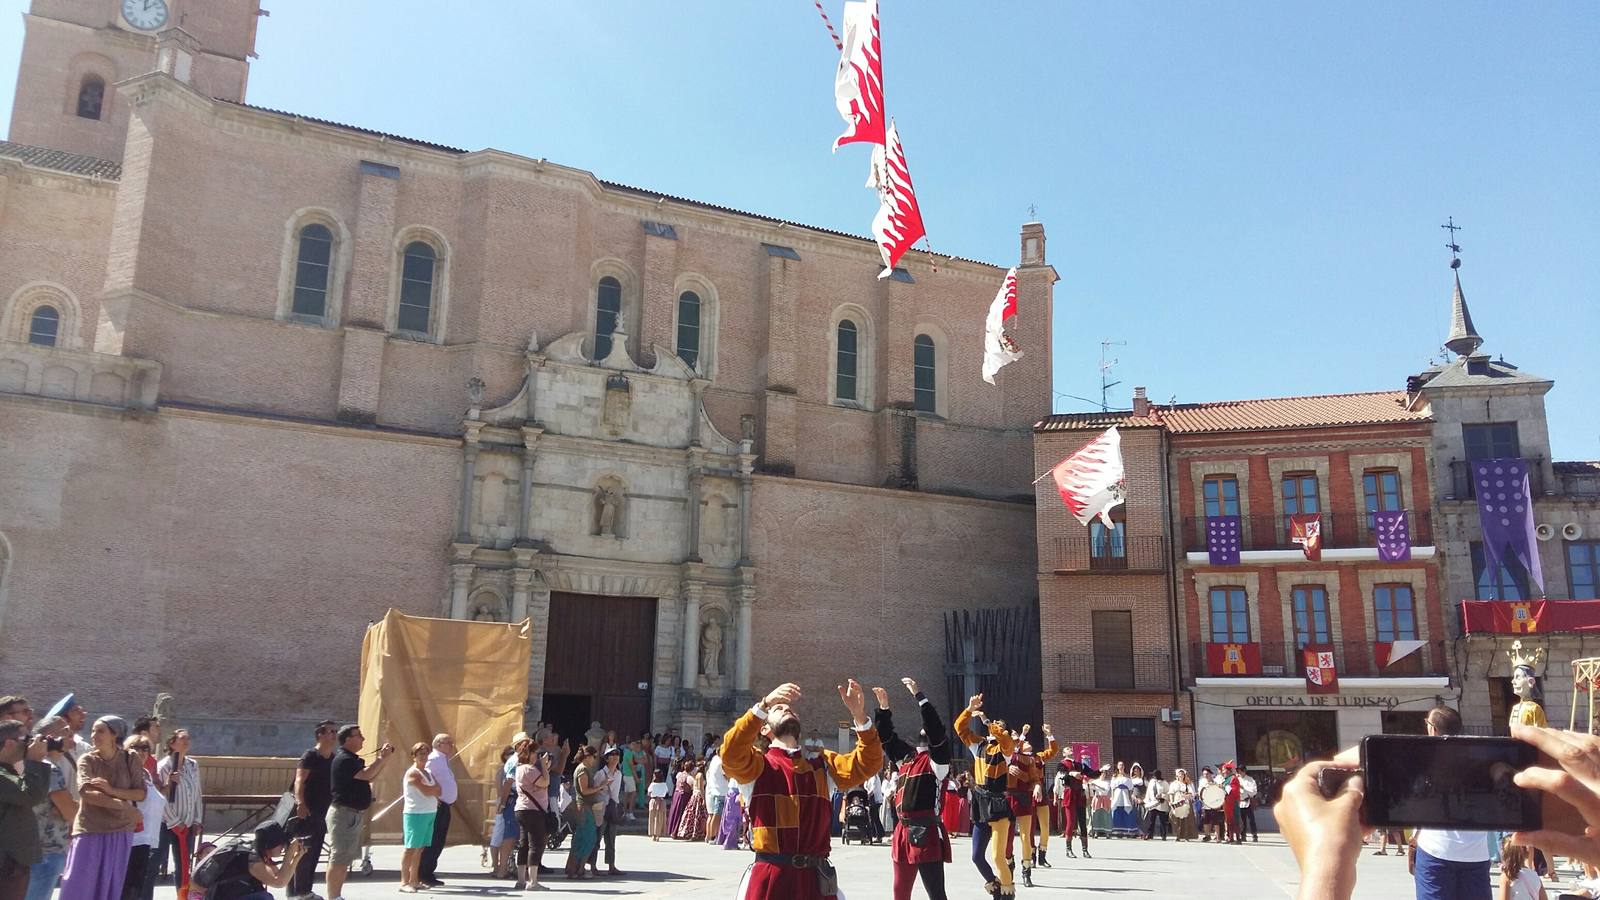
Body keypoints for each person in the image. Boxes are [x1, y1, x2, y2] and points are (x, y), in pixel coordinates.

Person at [719, 679, 880, 900]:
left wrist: (860, 717)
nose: (785, 708)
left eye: (790, 708)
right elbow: (730, 754)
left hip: (815, 879)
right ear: (764, 728)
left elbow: (868, 764)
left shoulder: (822, 764)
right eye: (778, 708)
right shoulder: (757, 765)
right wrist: (764, 704)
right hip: (771, 877)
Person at [873, 677, 952, 900]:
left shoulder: (938, 763)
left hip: (926, 832)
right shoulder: (907, 758)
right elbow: (886, 737)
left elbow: (935, 730)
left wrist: (920, 696)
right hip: (902, 831)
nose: (924, 732)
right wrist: (884, 709)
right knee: (900, 892)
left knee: (936, 894)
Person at [60, 716, 145, 900]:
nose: (93, 735)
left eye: (100, 731)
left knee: (108, 888)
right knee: (78, 886)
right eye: (92, 730)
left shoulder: (130, 758)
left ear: (115, 735)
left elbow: (140, 793)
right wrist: (125, 807)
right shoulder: (87, 760)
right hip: (90, 829)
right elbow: (87, 793)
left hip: (121, 831)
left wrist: (111, 790)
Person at [1413, 707, 1494, 900]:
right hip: (1477, 852)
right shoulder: (1478, 757)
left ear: (1433, 729)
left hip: (1436, 849)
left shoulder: (1426, 757)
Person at [953, 693, 1014, 897]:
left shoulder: (1006, 749)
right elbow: (959, 728)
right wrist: (969, 709)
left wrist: (987, 721)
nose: (996, 726)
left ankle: (1007, 893)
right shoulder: (978, 745)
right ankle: (994, 885)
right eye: (994, 724)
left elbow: (1003, 738)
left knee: (998, 857)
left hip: (998, 805)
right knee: (977, 856)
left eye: (1000, 725)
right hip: (980, 802)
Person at [324, 725, 394, 900]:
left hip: (353, 814)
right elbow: (366, 774)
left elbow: (370, 776)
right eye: (359, 736)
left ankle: (337, 895)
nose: (363, 739)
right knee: (339, 857)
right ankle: (333, 896)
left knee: (344, 858)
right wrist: (381, 758)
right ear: (348, 739)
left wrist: (383, 761)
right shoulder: (344, 759)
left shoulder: (353, 759)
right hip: (344, 814)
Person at [1, 718, 51, 900]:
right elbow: (31, 795)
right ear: (9, 743)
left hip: (12, 862)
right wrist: (34, 760)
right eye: (26, 739)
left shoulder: (8, 771)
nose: (29, 744)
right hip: (7, 863)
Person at [25, 726, 76, 900]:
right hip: (47, 850)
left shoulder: (15, 765)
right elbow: (69, 811)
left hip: (23, 850)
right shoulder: (48, 768)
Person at [288, 720, 337, 900]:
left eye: (336, 731)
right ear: (320, 735)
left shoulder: (332, 758)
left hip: (321, 811)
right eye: (331, 731)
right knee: (302, 851)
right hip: (305, 811)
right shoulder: (310, 756)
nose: (335, 734)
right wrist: (300, 803)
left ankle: (304, 890)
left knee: (315, 851)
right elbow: (299, 781)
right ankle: (297, 891)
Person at [205, 823, 308, 900]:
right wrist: (289, 855)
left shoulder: (261, 854)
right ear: (270, 845)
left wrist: (296, 858)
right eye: (281, 843)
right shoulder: (252, 858)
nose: (283, 847)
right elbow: (279, 882)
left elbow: (281, 877)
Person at [155, 730, 201, 900]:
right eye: (183, 739)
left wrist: (197, 819)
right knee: (156, 862)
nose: (187, 741)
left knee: (183, 866)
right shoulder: (163, 767)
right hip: (167, 824)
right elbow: (160, 797)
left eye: (188, 738)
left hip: (187, 824)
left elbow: (197, 793)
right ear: (172, 743)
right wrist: (174, 821)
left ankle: (182, 896)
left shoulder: (192, 765)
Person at [122, 736, 165, 900]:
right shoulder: (126, 772)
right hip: (132, 838)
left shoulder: (146, 774)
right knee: (129, 888)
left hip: (146, 839)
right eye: (135, 747)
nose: (141, 752)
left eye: (145, 748)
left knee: (138, 887)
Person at [399, 742, 440, 893]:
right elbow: (427, 791)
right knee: (410, 848)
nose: (424, 756)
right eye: (420, 753)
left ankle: (414, 880)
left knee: (420, 849)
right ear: (414, 756)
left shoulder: (428, 773)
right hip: (415, 814)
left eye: (426, 753)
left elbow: (438, 789)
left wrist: (434, 790)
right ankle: (404, 882)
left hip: (429, 812)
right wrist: (433, 790)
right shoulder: (413, 773)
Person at [417, 733, 456, 888]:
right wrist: (434, 796)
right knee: (433, 840)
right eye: (449, 743)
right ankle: (424, 873)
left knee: (439, 840)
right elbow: (424, 775)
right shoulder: (434, 759)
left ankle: (428, 871)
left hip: (444, 805)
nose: (452, 745)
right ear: (439, 744)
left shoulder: (443, 759)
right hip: (437, 805)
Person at [564, 746, 605, 879]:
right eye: (594, 756)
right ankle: (578, 868)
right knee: (587, 838)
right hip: (584, 807)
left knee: (583, 838)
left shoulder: (584, 769)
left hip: (585, 806)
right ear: (588, 756)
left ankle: (575, 868)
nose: (595, 759)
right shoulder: (583, 769)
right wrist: (600, 787)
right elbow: (585, 790)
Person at [512, 745, 550, 889]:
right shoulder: (529, 769)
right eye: (535, 752)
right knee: (535, 844)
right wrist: (544, 767)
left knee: (524, 844)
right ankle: (533, 881)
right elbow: (545, 782)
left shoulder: (520, 768)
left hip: (522, 809)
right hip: (533, 810)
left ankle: (521, 880)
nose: (537, 755)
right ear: (529, 754)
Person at [591, 748, 624, 876]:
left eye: (617, 754)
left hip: (612, 807)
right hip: (601, 807)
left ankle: (611, 865)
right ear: (606, 758)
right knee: (597, 838)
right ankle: (593, 865)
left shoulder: (619, 774)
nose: (615, 757)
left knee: (611, 838)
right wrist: (603, 785)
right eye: (612, 754)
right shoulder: (600, 774)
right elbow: (594, 790)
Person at [673, 760, 706, 842]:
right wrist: (704, 798)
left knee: (691, 815)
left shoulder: (694, 775)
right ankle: (696, 833)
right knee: (698, 816)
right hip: (698, 796)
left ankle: (689, 832)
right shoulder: (700, 775)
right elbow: (701, 788)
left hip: (693, 796)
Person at [704, 751, 728, 843]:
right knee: (717, 815)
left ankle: (710, 835)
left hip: (715, 791)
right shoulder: (721, 762)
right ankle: (713, 836)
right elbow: (727, 775)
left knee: (713, 815)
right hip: (721, 791)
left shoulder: (714, 759)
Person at [1168, 769, 1197, 842]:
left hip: (1185, 802)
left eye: (1182, 774)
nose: (1181, 775)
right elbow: (1171, 793)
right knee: (1175, 818)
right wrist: (1171, 802)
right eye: (1179, 774)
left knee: (1186, 820)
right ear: (1177, 775)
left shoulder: (1188, 783)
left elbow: (1192, 793)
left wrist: (1187, 796)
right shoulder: (1173, 784)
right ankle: (1177, 836)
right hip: (1176, 802)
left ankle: (1186, 836)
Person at [1143, 769, 1169, 841]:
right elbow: (1148, 792)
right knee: (1151, 821)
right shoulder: (1152, 782)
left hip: (1161, 804)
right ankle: (1149, 834)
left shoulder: (1164, 783)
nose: (1154, 777)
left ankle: (1163, 835)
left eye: (1155, 775)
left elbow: (1168, 793)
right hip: (1153, 804)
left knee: (1162, 821)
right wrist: (1147, 802)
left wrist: (1162, 795)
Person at [646, 767, 670, 841]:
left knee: (652, 818)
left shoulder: (652, 784)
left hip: (654, 801)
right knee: (660, 818)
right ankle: (658, 834)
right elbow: (666, 793)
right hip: (661, 801)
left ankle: (653, 834)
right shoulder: (664, 784)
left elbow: (649, 793)